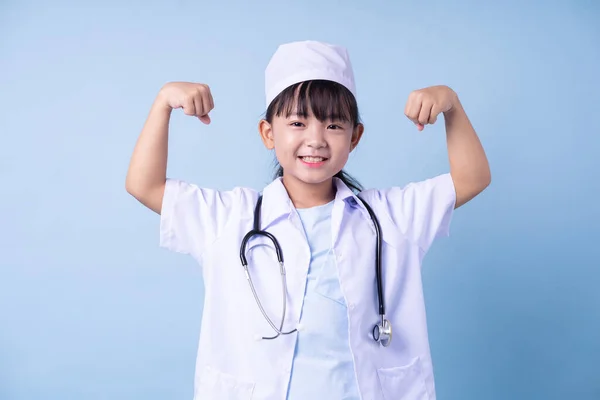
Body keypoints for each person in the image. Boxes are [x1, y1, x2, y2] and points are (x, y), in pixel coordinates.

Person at [125, 40, 491, 400]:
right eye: (298, 123)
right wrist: (163, 103)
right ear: (268, 134)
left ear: (355, 137)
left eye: (334, 126)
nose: (315, 140)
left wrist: (452, 106)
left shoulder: (390, 217)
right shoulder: (229, 218)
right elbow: (145, 185)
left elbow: (472, 178)